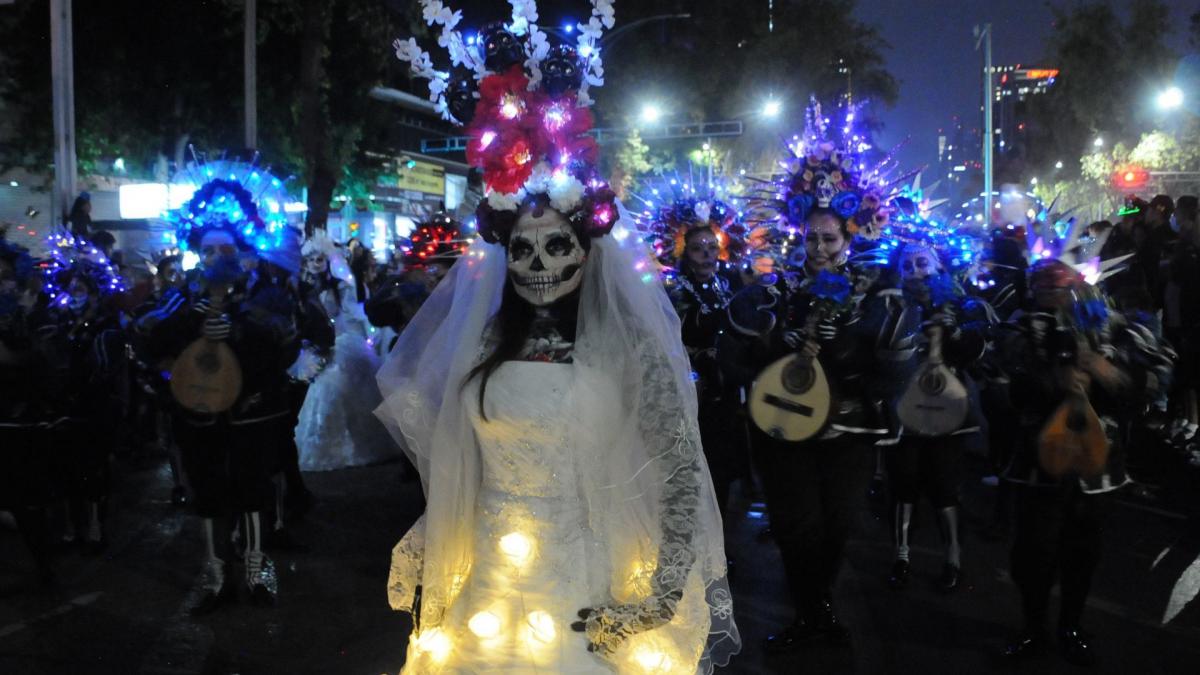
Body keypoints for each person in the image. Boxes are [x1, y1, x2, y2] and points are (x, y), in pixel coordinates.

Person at [383, 8, 739, 672]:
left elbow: (680, 474)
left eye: (555, 246)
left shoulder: (626, 345)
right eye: (522, 248)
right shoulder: (487, 340)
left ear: (586, 251)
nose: (537, 263)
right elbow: (454, 465)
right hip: (489, 597)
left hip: (589, 596)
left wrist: (654, 603)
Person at [720, 116, 891, 651]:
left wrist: (848, 345)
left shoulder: (875, 290)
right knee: (797, 528)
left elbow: (890, 363)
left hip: (848, 434)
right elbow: (737, 352)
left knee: (838, 523)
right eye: (812, 237)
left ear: (848, 236)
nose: (819, 247)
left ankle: (821, 600)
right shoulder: (775, 289)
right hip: (785, 433)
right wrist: (776, 342)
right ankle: (809, 611)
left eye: (830, 238)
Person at [139, 167, 300, 612]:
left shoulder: (266, 295)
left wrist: (241, 331)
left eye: (227, 248)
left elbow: (285, 347)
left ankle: (256, 567)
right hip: (201, 417)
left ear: (244, 251)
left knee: (252, 490)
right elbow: (148, 339)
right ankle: (215, 573)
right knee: (208, 493)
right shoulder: (182, 297)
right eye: (208, 250)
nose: (217, 257)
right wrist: (191, 326)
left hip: (252, 416)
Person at [999, 259, 1171, 666]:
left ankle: (1070, 626)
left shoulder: (1111, 324)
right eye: (1043, 290)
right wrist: (1050, 381)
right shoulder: (1022, 326)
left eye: (1059, 289)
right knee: (1034, 553)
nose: (1052, 298)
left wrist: (1104, 370)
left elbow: (1153, 378)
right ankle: (1033, 628)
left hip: (1098, 459)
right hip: (1041, 457)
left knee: (1084, 550)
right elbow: (1005, 382)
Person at [863, 241, 993, 592]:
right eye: (907, 265)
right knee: (902, 483)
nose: (915, 271)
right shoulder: (889, 305)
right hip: (903, 411)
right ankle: (901, 554)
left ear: (938, 265)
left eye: (922, 263)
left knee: (944, 485)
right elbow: (874, 351)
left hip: (948, 409)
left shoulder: (962, 303)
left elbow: (977, 353)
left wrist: (954, 330)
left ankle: (953, 556)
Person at [650, 198, 746, 513]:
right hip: (693, 394)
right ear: (682, 251)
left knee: (724, 470)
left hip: (727, 392)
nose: (707, 254)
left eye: (711, 246)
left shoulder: (728, 283)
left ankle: (723, 539)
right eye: (697, 248)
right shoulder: (673, 289)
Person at [293, 230, 397, 471]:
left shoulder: (343, 288)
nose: (314, 264)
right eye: (310, 260)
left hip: (346, 343)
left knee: (338, 384)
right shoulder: (308, 289)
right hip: (323, 345)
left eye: (319, 259)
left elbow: (356, 317)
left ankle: (356, 443)